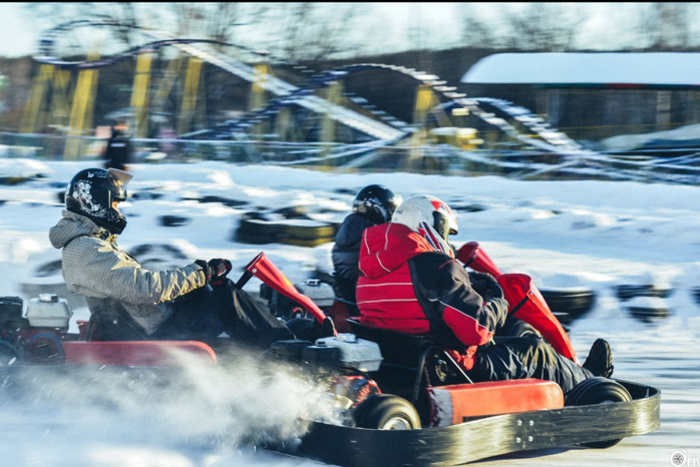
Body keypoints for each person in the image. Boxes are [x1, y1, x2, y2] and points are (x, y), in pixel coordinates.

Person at [355, 194, 613, 393]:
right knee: (535, 350)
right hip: (451, 368)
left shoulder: (370, 271)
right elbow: (477, 330)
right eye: (447, 232)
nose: (447, 240)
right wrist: (498, 300)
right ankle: (590, 382)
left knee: (513, 342)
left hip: (399, 365)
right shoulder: (438, 267)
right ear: (431, 224)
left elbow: (417, 305)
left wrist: (465, 283)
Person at [49, 167, 293, 347]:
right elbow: (144, 288)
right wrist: (200, 273)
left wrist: (200, 281)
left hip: (149, 324)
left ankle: (276, 338)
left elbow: (136, 288)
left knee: (216, 290)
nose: (118, 211)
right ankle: (284, 349)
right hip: (151, 335)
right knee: (225, 298)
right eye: (115, 205)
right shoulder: (87, 249)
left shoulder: (91, 244)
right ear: (95, 204)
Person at [330, 184, 401, 331]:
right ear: (380, 210)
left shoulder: (350, 229)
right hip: (366, 307)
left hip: (346, 297)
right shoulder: (376, 237)